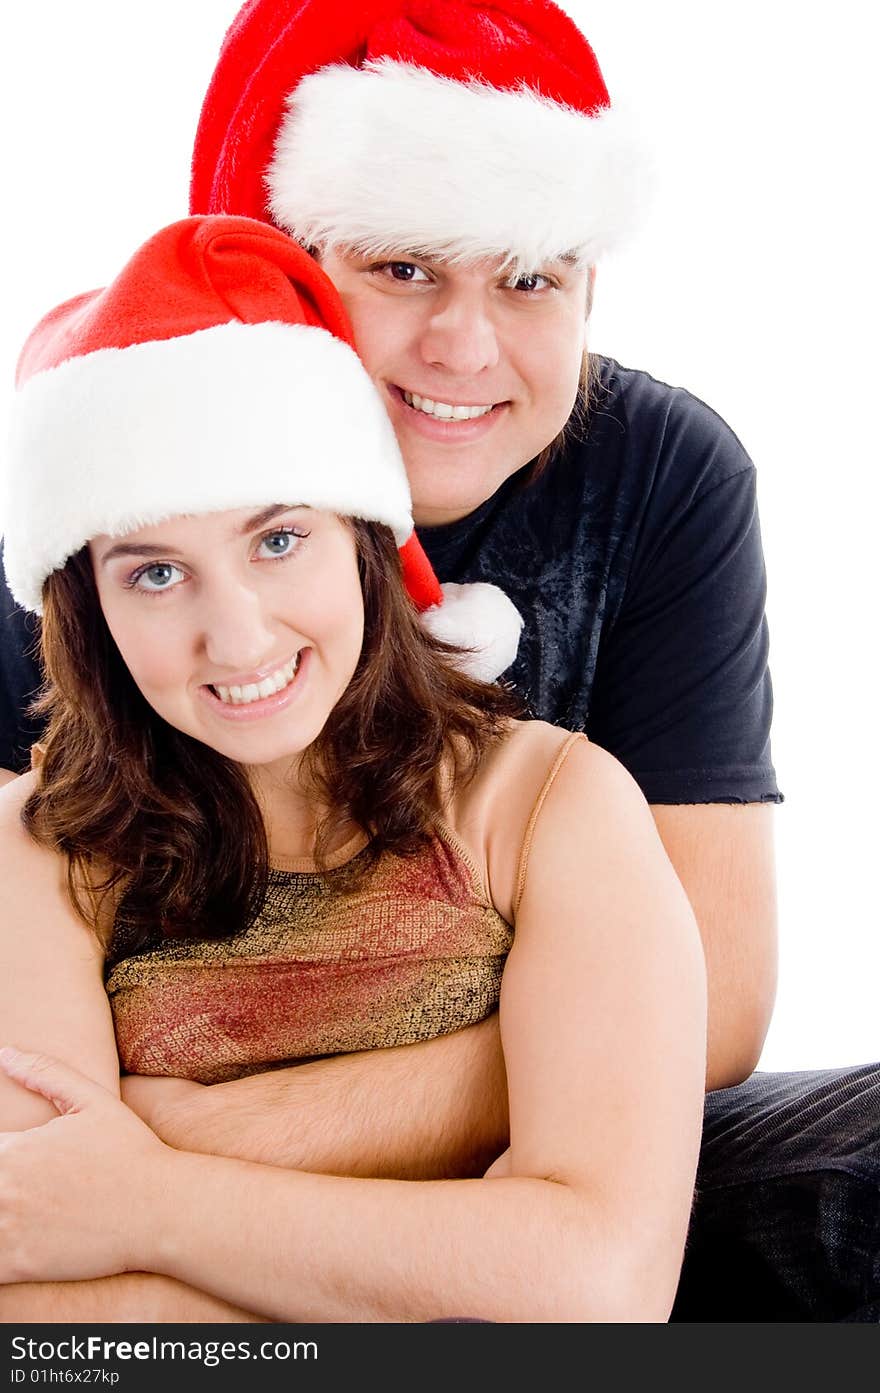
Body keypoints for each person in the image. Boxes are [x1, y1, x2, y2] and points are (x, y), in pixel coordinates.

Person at [1, 0, 878, 1321]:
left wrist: (158, 1176)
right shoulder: (101, 501)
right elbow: (31, 1198)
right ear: (283, 274)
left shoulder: (644, 528)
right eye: (404, 269)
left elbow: (710, 1017)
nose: (464, 349)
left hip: (595, 1142)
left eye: (528, 278)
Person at [0, 213, 706, 1323]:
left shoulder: (551, 807)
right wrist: (448, 1274)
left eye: (279, 540)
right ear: (87, 611)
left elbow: (596, 1291)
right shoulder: (34, 848)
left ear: (367, 539)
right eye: (153, 574)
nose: (236, 640)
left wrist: (151, 1200)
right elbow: (41, 1308)